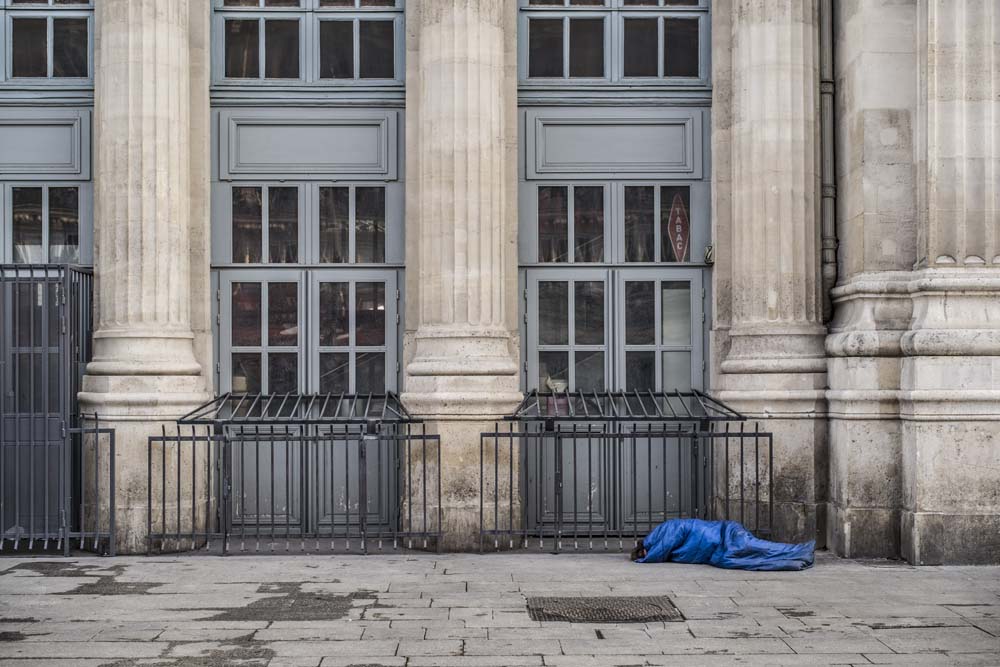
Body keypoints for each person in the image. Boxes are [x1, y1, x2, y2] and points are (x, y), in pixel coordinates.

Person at [629, 518, 814, 571]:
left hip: (725, 535)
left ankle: (800, 550)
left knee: (760, 547)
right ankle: (794, 560)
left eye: (643, 553)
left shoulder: (668, 528)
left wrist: (645, 561)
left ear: (644, 547)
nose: (646, 555)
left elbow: (664, 546)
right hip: (719, 550)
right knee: (755, 558)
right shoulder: (670, 550)